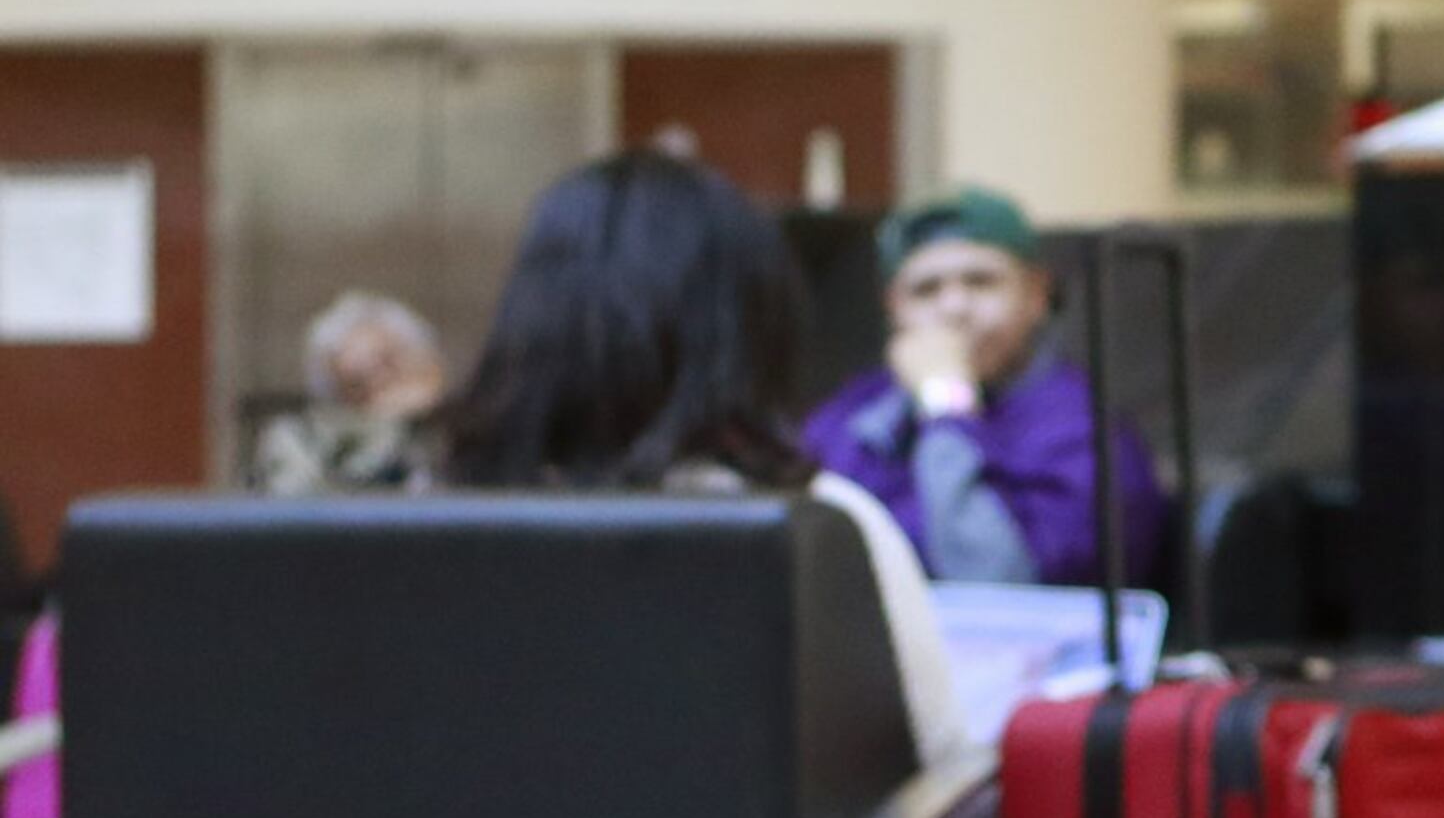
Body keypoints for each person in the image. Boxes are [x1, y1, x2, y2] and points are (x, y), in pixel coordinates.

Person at [446, 149, 960, 768]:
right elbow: (935, 775)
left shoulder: (421, 527)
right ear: (758, 328)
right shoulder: (823, 530)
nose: (952, 310)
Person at [800, 184, 1168, 592]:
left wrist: (946, 404)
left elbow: (993, 583)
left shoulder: (1085, 430)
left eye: (981, 282)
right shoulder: (853, 415)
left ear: (1036, 295)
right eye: (926, 290)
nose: (954, 309)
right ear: (894, 308)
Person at [252, 292, 445, 495]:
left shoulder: (425, 431)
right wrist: (381, 421)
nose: (374, 374)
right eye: (361, 366)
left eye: (387, 361)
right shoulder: (296, 436)